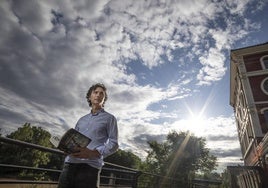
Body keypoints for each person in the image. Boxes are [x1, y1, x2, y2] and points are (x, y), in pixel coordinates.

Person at [58, 83, 119, 188]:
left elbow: (114, 144)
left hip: (90, 168)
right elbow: (73, 139)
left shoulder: (110, 118)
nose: (98, 95)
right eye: (95, 92)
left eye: (102, 94)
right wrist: (66, 148)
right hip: (69, 165)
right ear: (90, 96)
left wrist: (93, 153)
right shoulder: (81, 120)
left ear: (104, 99)